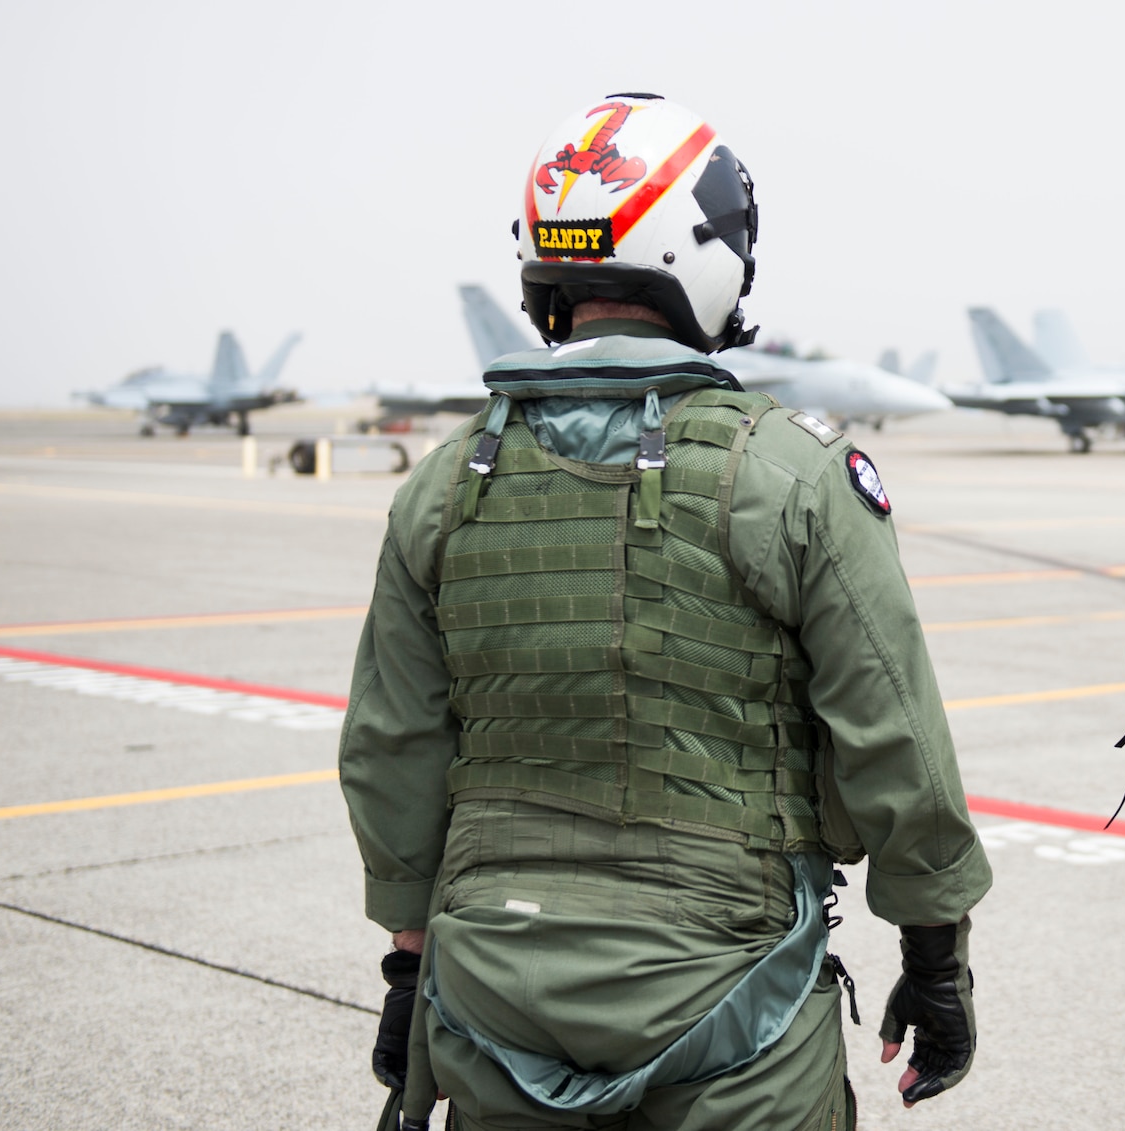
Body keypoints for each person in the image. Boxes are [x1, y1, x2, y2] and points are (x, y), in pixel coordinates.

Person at [340, 94, 991, 1131]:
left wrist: (407, 970)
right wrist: (934, 955)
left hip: (491, 985)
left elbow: (392, 749)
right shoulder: (791, 473)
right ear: (707, 256)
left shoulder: (444, 484)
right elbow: (895, 742)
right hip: (728, 996)